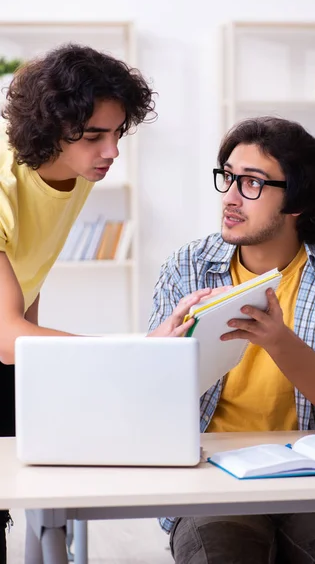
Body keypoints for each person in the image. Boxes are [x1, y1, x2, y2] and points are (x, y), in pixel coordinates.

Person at [148, 116, 315, 563]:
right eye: (227, 177)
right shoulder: (187, 266)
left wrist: (280, 341)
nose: (230, 196)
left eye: (252, 183)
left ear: (297, 200)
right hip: (213, 477)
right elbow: (149, 403)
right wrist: (160, 349)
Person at [0, 43, 213, 563]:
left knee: (36, 496)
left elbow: (27, 280)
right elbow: (8, 339)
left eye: (117, 133)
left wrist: (38, 371)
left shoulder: (73, 173)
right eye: (95, 135)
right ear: (49, 129)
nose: (112, 150)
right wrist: (143, 347)